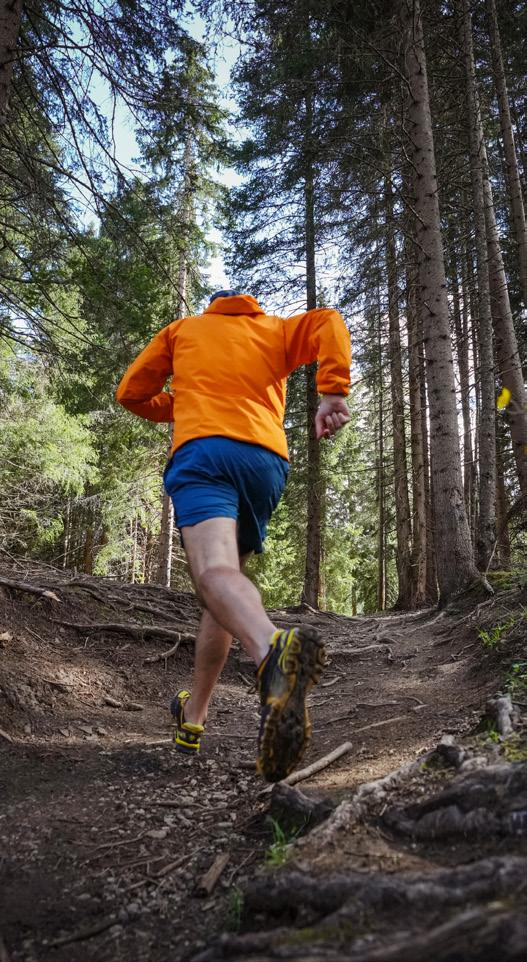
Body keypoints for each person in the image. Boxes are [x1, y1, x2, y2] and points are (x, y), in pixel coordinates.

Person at [116, 290, 351, 781]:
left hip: (204, 454)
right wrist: (332, 391)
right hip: (264, 461)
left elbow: (131, 393)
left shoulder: (183, 331)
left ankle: (272, 650)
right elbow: (328, 320)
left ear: (212, 307)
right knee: (223, 588)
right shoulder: (275, 329)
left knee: (214, 573)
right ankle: (193, 717)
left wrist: (181, 405)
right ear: (250, 305)